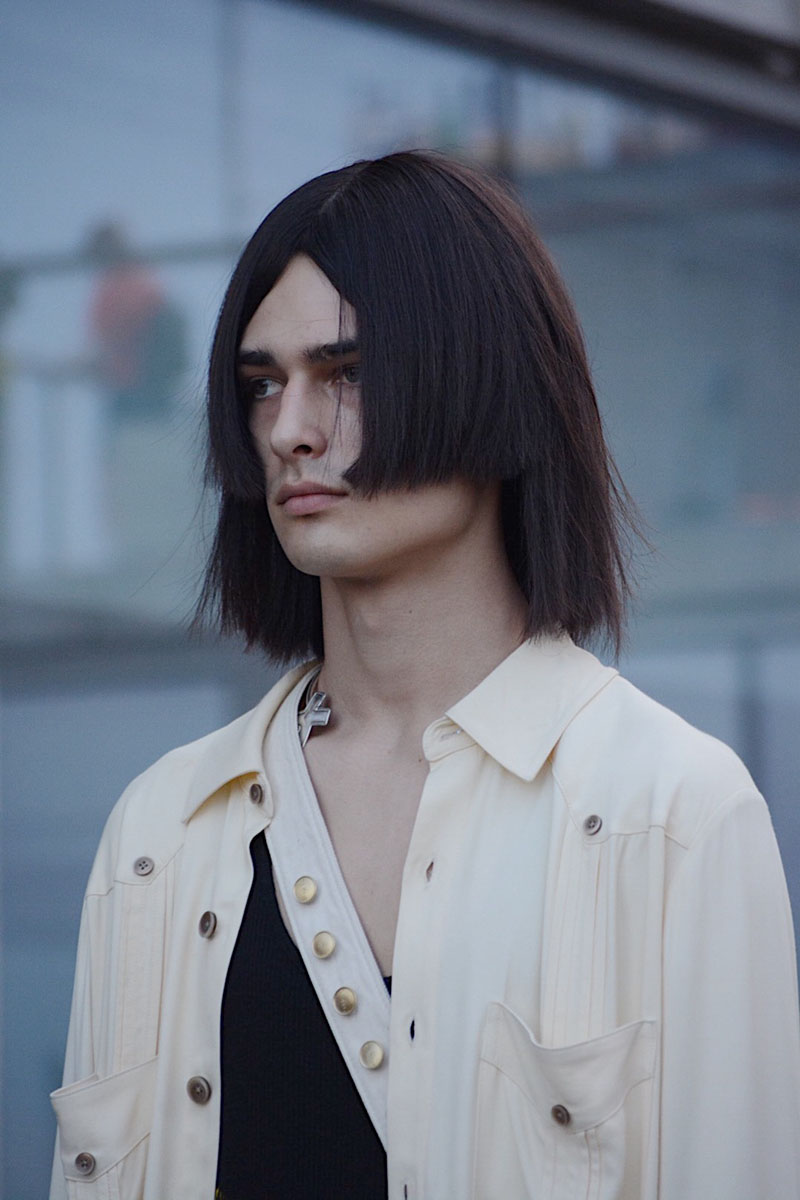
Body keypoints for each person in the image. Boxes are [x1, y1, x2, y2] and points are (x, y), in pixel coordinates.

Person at [50, 151, 800, 1200]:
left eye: (346, 372)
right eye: (262, 384)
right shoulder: (158, 835)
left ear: (488, 380)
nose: (288, 430)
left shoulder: (669, 813)